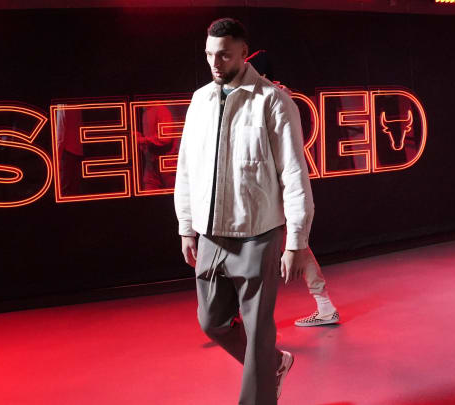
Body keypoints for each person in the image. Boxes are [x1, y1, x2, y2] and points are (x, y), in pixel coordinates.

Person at [174, 18, 314, 404]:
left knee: (257, 330)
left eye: (223, 55)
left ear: (242, 52)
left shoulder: (272, 100)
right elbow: (187, 167)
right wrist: (187, 227)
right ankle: (274, 365)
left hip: (258, 233)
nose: (215, 63)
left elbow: (294, 174)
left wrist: (296, 241)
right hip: (209, 234)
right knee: (212, 322)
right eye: (208, 55)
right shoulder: (200, 100)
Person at [245, 50, 341, 328]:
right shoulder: (270, 97)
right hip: (269, 187)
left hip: (275, 188)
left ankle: (245, 317)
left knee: (282, 246)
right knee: (293, 246)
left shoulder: (274, 99)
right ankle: (324, 306)